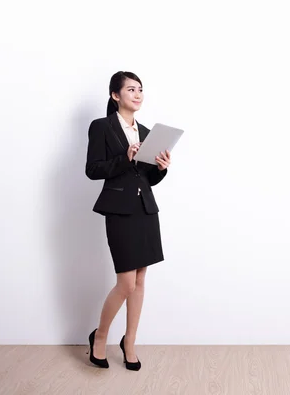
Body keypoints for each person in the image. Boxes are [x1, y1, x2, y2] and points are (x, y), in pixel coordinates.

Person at [84, 71, 171, 370]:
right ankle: (100, 337)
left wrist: (161, 168)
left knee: (141, 280)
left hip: (145, 210)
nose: (137, 94)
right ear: (115, 95)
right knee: (126, 283)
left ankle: (129, 342)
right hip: (120, 211)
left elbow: (146, 177)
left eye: (140, 90)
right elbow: (93, 169)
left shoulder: (147, 131)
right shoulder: (101, 127)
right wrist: (126, 157)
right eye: (131, 89)